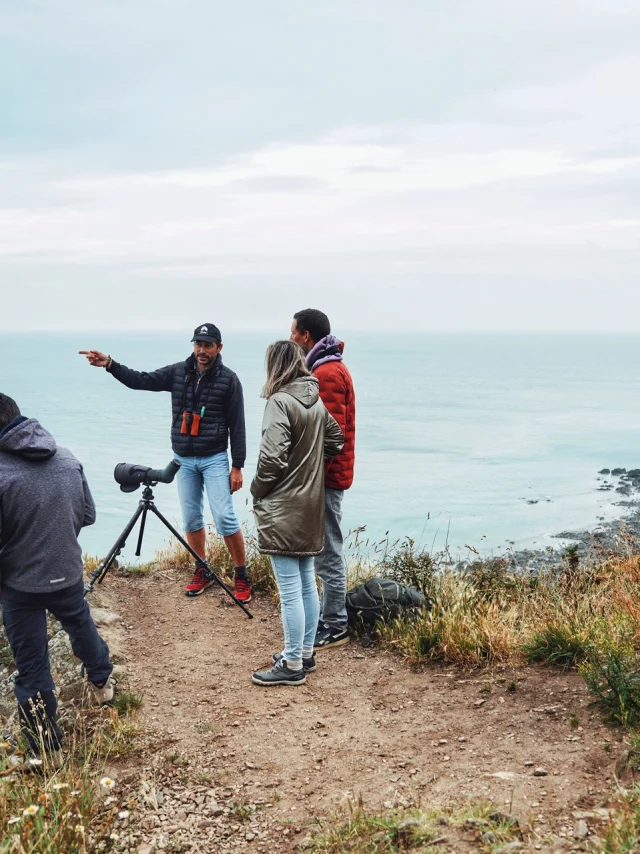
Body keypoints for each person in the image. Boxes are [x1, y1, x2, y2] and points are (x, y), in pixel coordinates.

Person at [79, 323, 251, 601]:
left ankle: (242, 576)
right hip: (182, 459)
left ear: (219, 348)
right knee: (192, 517)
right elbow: (141, 380)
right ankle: (202, 569)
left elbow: (237, 425)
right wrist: (109, 364)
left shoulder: (229, 380)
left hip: (214, 458)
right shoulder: (178, 372)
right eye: (198, 344)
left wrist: (237, 466)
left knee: (224, 517)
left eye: (208, 345)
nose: (202, 350)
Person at [0, 394, 115, 758]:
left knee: (32, 665)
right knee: (80, 624)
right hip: (66, 572)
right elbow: (88, 515)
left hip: (20, 584)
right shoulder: (67, 458)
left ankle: (43, 750)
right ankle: (101, 679)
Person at [250, 341, 344, 686]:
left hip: (284, 505)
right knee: (307, 582)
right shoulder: (314, 400)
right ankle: (304, 653)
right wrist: (310, 469)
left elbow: (272, 459)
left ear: (275, 366)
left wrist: (258, 489)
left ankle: (291, 666)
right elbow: (335, 441)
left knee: (290, 589)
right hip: (311, 502)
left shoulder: (280, 402)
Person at [290, 309, 356, 649]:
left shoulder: (327, 373)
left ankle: (335, 624)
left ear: (306, 336)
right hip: (326, 476)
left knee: (328, 551)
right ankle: (328, 619)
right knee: (324, 549)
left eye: (293, 333)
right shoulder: (325, 367)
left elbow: (331, 436)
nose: (290, 339)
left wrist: (311, 478)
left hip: (326, 479)